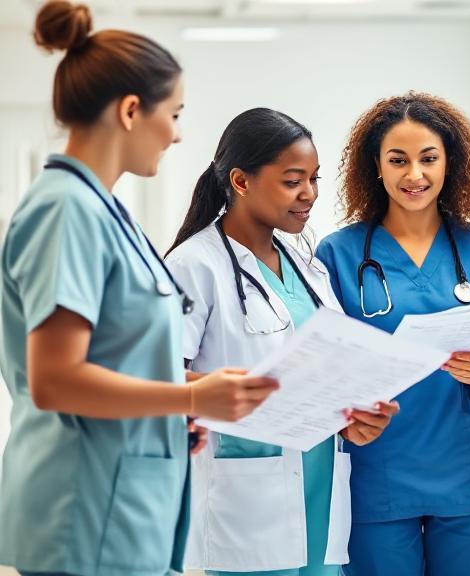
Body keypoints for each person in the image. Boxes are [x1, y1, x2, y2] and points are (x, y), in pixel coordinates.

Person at [0, 3, 276, 575]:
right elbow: (55, 380)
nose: (177, 135)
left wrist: (190, 396)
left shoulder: (102, 211)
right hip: (82, 508)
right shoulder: (66, 211)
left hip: (119, 505)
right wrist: (191, 399)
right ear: (131, 110)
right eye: (173, 114)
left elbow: (116, 356)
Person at [164, 108, 398, 576]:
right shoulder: (195, 266)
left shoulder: (306, 264)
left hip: (321, 485)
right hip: (247, 496)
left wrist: (358, 414)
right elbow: (160, 381)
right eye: (293, 181)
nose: (309, 194)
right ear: (241, 181)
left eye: (313, 179)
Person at [314, 92, 470, 576]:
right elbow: (324, 368)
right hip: (376, 471)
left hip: (469, 472)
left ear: (450, 163)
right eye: (398, 160)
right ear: (376, 167)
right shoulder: (337, 254)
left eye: (429, 159)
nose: (414, 175)